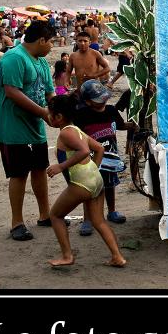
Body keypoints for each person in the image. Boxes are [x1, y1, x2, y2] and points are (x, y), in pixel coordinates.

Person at [45, 94, 127, 268]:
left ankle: (67, 256)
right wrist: (93, 170)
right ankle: (117, 256)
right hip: (95, 180)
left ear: (58, 117)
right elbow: (98, 149)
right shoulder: (77, 130)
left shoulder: (66, 133)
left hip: (81, 183)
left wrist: (61, 167)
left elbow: (83, 151)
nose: (48, 117)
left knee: (55, 215)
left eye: (49, 114)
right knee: (99, 221)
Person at [0, 19, 56, 241]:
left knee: (40, 168)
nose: (52, 46)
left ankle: (44, 214)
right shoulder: (14, 58)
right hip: (13, 127)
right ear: (41, 40)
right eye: (50, 42)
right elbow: (12, 91)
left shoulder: (40, 61)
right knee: (18, 174)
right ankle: (17, 223)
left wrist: (58, 112)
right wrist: (43, 113)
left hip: (35, 126)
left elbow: (50, 93)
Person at [73, 79, 138, 233]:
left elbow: (121, 125)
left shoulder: (111, 111)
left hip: (111, 157)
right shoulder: (82, 114)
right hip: (90, 159)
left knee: (110, 184)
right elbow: (75, 134)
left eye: (104, 98)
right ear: (87, 101)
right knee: (89, 188)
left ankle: (112, 211)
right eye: (98, 100)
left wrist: (134, 125)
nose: (102, 102)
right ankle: (87, 219)